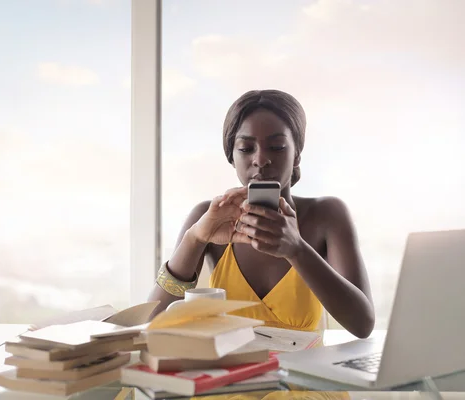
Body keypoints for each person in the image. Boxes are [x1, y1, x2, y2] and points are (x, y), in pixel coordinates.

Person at [148, 89, 374, 338]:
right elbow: (152, 324)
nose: (261, 159)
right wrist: (194, 239)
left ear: (296, 154)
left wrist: (296, 249)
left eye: (276, 147)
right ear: (231, 157)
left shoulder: (326, 215)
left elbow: (362, 324)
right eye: (246, 148)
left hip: (304, 375)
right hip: (232, 374)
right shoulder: (208, 216)